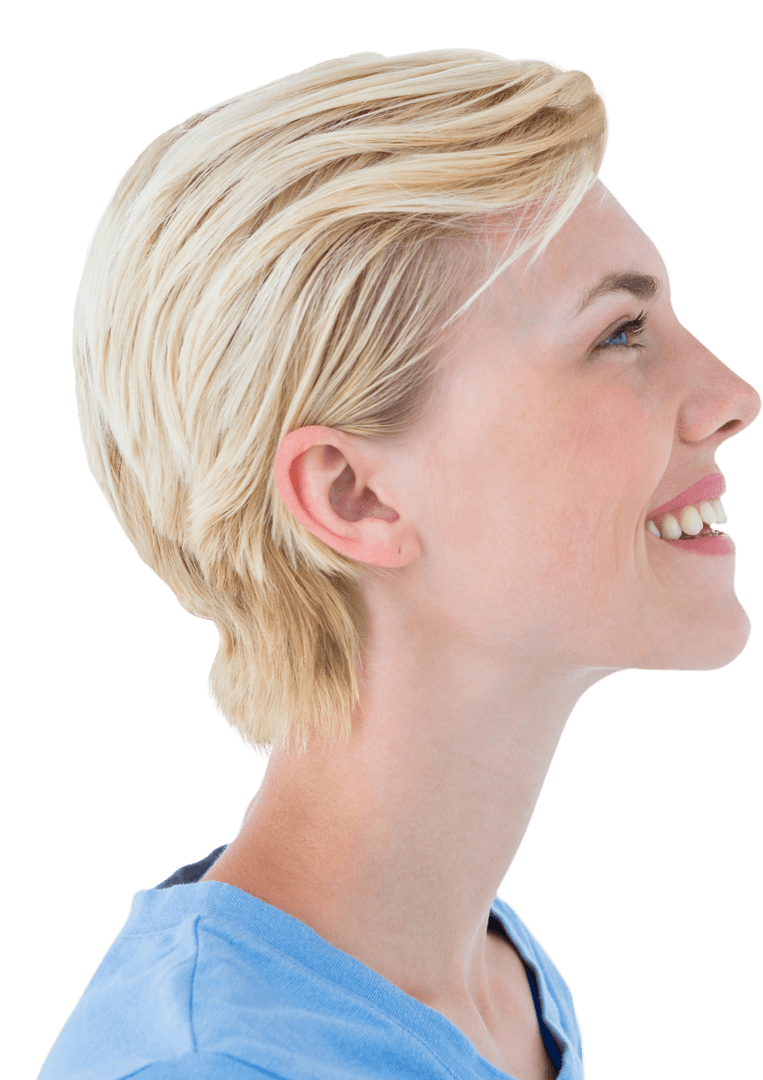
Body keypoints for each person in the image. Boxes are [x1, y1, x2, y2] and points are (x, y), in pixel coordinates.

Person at [38, 48, 761, 1080]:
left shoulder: (497, 980)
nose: (732, 395)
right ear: (355, 496)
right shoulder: (216, 1066)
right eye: (619, 333)